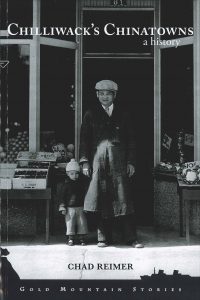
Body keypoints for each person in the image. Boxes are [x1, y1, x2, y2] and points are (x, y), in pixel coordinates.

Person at [79, 79, 144, 248]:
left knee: (124, 197)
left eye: (108, 94)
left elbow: (131, 139)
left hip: (119, 161)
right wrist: (85, 162)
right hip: (98, 161)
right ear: (97, 95)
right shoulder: (90, 114)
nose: (105, 97)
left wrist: (131, 162)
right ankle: (103, 237)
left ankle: (131, 238)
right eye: (101, 94)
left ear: (114, 95)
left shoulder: (123, 113)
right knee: (101, 196)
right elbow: (84, 140)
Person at [58, 159, 88, 246]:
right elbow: (62, 197)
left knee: (82, 223)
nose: (74, 175)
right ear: (67, 174)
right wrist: (62, 207)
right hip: (70, 208)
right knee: (70, 223)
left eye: (76, 173)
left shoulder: (81, 184)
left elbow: (84, 195)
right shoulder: (66, 185)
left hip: (81, 207)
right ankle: (70, 238)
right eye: (72, 173)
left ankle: (82, 238)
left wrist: (86, 205)